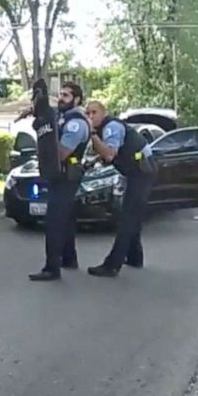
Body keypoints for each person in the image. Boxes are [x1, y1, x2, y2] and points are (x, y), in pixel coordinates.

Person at [84, 101, 157, 277]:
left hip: (141, 172)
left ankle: (112, 265)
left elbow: (109, 154)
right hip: (136, 172)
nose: (90, 116)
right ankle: (134, 257)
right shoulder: (107, 128)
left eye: (94, 112)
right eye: (87, 113)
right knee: (132, 215)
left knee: (127, 218)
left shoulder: (111, 127)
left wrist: (93, 135)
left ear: (103, 113)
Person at [28, 81, 91, 281]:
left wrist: (45, 140)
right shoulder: (64, 117)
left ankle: (51, 268)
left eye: (66, 95)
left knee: (54, 221)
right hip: (62, 175)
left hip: (66, 176)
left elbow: (61, 153)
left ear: (77, 99)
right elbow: (46, 112)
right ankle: (69, 258)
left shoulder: (76, 123)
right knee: (67, 219)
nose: (61, 98)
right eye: (60, 94)